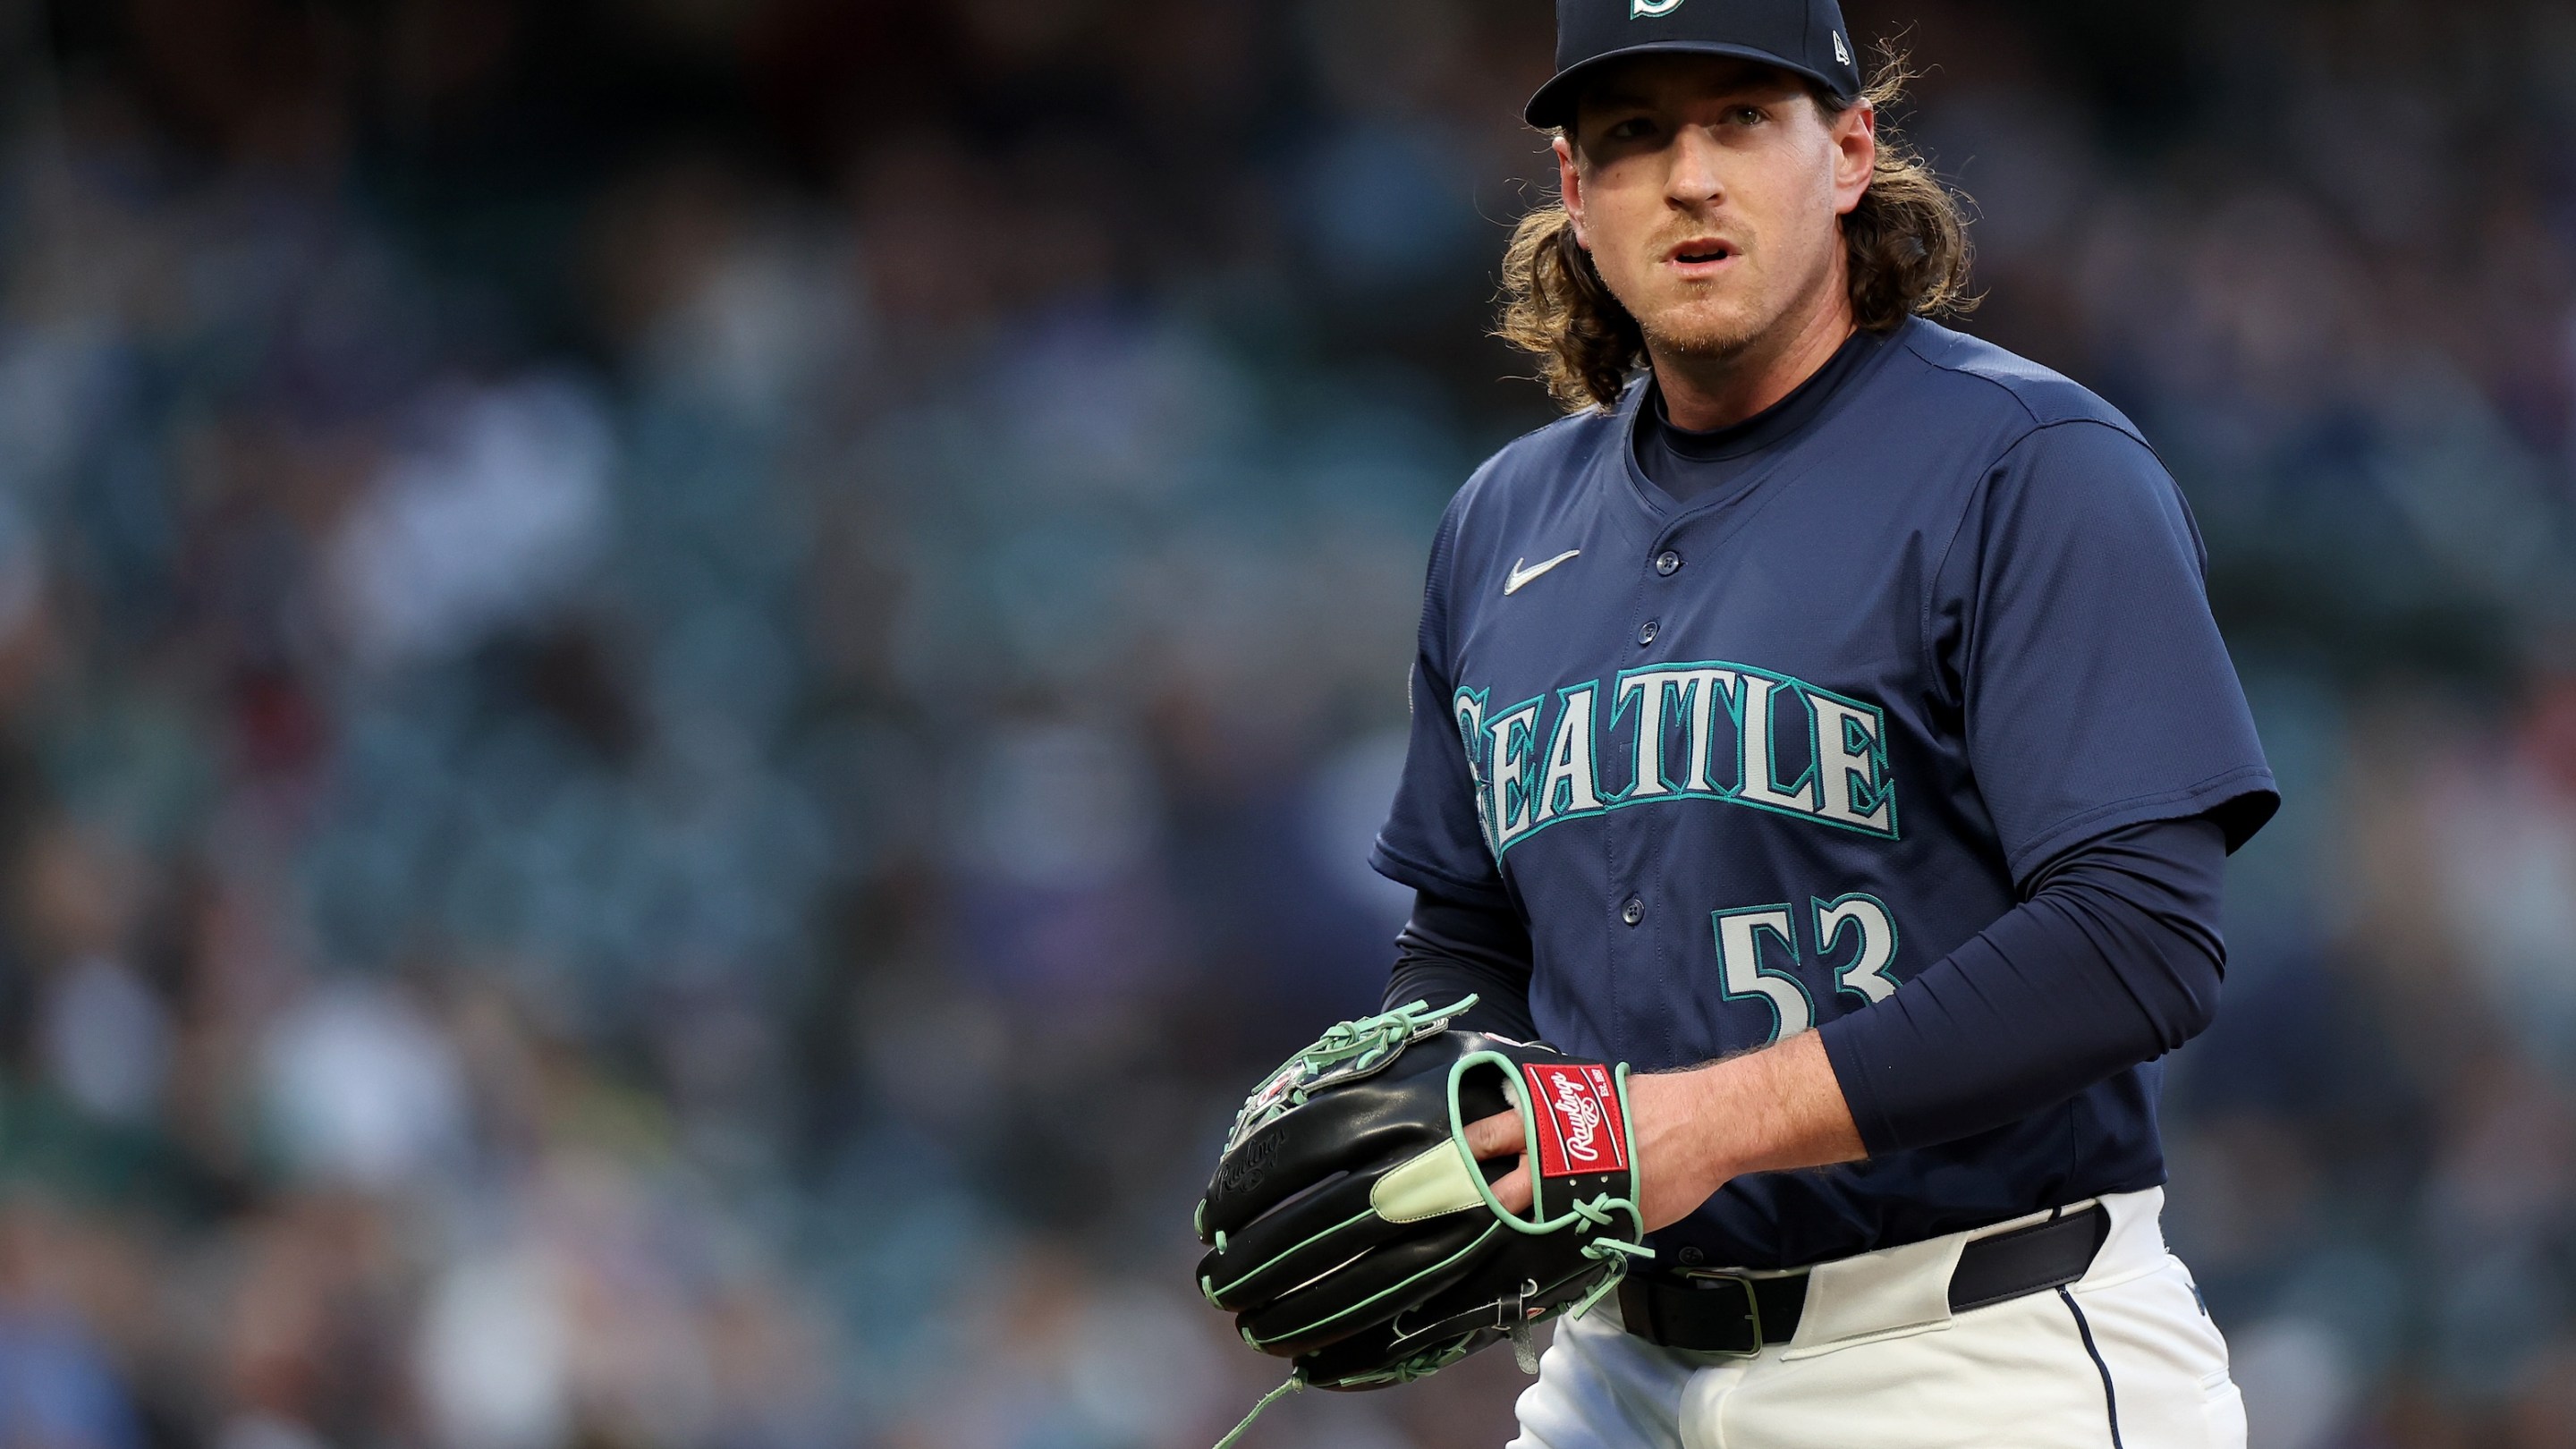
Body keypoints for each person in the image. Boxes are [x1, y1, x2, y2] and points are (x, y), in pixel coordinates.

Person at [1367, 1, 2276, 1443]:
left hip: (1968, 1348)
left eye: (1742, 117)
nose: (1691, 177)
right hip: (1616, 1367)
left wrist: (1698, 1125)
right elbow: (1467, 937)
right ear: (1575, 196)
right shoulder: (1501, 524)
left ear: (1849, 152)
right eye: (1633, 136)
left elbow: (2143, 937)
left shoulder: (2031, 467)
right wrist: (1441, 1123)